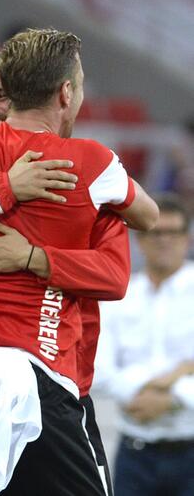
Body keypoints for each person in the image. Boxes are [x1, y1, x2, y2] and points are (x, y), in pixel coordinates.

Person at [0, 28, 158, 495]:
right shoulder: (90, 170)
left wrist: (34, 257)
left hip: (37, 379)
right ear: (66, 92)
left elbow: (115, 277)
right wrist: (6, 189)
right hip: (27, 375)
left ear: (15, 92)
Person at [95, 195, 194, 496]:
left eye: (172, 233)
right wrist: (163, 383)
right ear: (139, 241)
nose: (164, 241)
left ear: (187, 239)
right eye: (155, 233)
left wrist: (172, 397)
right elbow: (97, 371)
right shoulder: (117, 298)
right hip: (134, 450)